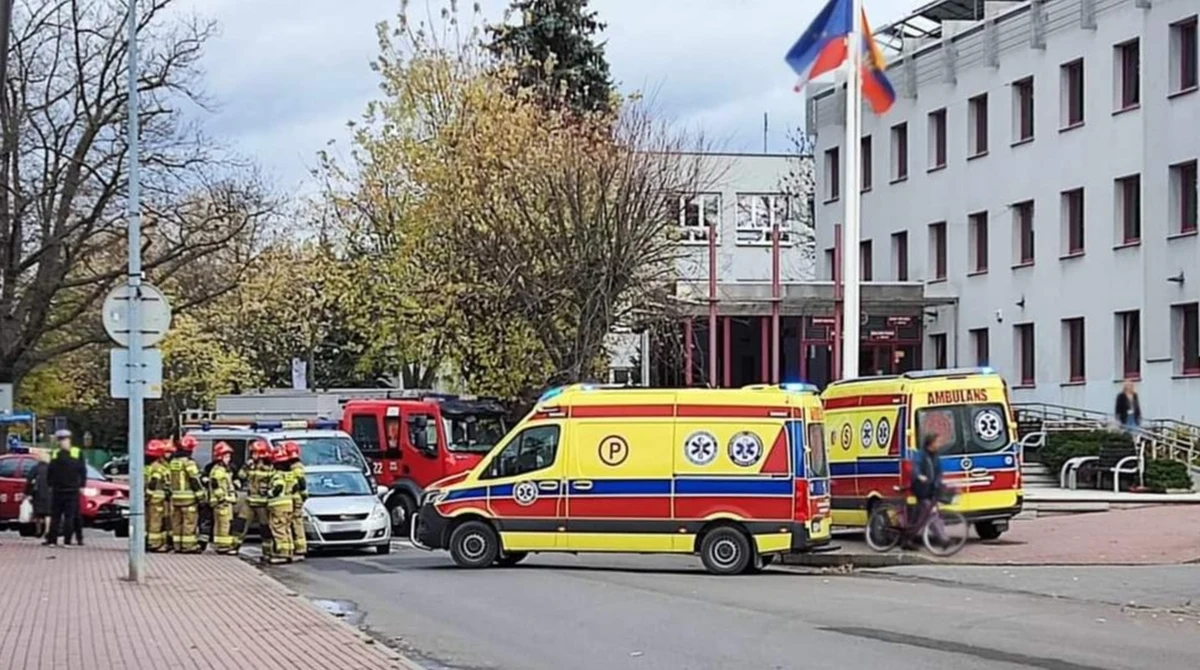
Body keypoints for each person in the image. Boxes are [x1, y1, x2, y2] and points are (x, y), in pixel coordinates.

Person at [44, 429, 86, 546]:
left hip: (63, 489)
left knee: (60, 516)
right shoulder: (71, 452)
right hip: (68, 489)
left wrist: (50, 485)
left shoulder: (59, 453)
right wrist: (82, 485)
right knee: (67, 516)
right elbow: (82, 470)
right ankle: (62, 540)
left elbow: (50, 471)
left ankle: (57, 540)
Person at [167, 434, 204, 553]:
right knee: (189, 522)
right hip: (188, 498)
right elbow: (194, 479)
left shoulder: (173, 462)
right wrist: (200, 495)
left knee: (177, 522)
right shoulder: (189, 463)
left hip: (175, 497)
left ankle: (177, 545)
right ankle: (188, 546)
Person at [909, 432, 947, 546]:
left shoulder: (935, 456)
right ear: (930, 443)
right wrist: (919, 476)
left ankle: (907, 539)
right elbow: (915, 467)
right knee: (931, 513)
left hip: (930, 489)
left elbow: (939, 471)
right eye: (938, 442)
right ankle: (943, 539)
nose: (940, 444)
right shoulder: (920, 455)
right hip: (921, 489)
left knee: (920, 517)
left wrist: (939, 482)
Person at [233, 440, 271, 550]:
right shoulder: (251, 465)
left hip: (262, 502)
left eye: (255, 453)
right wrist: (246, 466)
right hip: (249, 500)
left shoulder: (269, 466)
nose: (253, 455)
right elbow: (242, 475)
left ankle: (267, 550)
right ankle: (234, 546)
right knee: (240, 523)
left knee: (265, 527)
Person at [265, 446, 295, 564]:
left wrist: (269, 493)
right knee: (287, 528)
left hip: (278, 506)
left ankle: (281, 554)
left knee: (278, 529)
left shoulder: (278, 475)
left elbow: (278, 486)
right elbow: (296, 487)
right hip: (289, 504)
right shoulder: (290, 474)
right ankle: (289, 552)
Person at [208, 442, 238, 555]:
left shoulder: (222, 470)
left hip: (221, 502)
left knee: (220, 524)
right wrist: (224, 498)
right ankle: (224, 546)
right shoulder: (219, 471)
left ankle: (220, 545)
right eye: (226, 457)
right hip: (222, 502)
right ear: (220, 457)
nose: (228, 459)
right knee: (224, 524)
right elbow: (216, 486)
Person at [284, 441, 308, 561]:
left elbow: (301, 484)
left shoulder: (295, 467)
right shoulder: (298, 466)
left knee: (292, 523)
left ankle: (297, 548)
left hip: (293, 498)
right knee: (297, 523)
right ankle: (300, 548)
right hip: (297, 498)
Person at [145, 440, 170, 552]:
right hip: (156, 499)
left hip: (148, 498)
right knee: (156, 522)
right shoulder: (158, 467)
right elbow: (154, 482)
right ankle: (154, 544)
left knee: (147, 521)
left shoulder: (146, 466)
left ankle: (146, 542)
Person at [23, 450, 52, 538]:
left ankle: (38, 531)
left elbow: (29, 481)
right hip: (50, 493)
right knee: (48, 513)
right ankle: (47, 530)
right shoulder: (51, 468)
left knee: (38, 514)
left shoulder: (35, 468)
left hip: (38, 493)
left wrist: (27, 493)